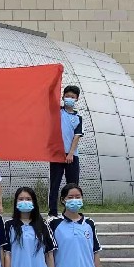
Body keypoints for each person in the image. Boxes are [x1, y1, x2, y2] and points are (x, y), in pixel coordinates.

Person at [49, 86, 83, 217]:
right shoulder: (57, 111)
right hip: (57, 154)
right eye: (67, 96)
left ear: (77, 99)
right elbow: (49, 99)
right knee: (54, 185)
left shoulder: (78, 117)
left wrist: (70, 153)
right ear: (63, 97)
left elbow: (77, 136)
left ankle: (70, 212)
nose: (69, 99)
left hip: (72, 155)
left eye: (72, 97)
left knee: (72, 186)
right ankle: (52, 213)